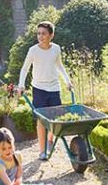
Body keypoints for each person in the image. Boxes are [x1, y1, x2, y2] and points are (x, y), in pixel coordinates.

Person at [17, 21, 73, 160]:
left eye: (44, 33)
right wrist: (21, 85)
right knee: (42, 120)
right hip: (39, 88)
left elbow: (59, 66)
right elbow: (25, 69)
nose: (40, 36)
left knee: (54, 118)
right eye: (39, 33)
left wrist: (67, 81)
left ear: (51, 35)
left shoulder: (56, 49)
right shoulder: (33, 50)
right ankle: (42, 151)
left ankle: (49, 141)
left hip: (54, 88)